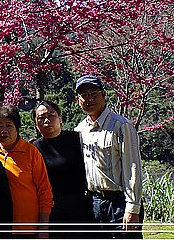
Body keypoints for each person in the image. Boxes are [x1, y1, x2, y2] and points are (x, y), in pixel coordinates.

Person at [74, 75, 143, 239]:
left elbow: (132, 167)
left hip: (119, 203)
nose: (89, 99)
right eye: (84, 95)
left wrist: (132, 208)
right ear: (78, 100)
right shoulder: (80, 130)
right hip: (93, 204)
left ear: (103, 95)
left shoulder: (121, 126)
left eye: (93, 93)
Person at [0, 104, 53, 238]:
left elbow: (44, 192)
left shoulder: (31, 152)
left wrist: (43, 227)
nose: (3, 130)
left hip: (26, 228)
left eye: (8, 125)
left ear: (17, 128)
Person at [31, 100, 94, 238]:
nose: (47, 120)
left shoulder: (78, 139)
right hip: (52, 213)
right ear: (36, 124)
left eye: (51, 115)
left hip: (81, 209)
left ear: (60, 118)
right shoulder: (33, 149)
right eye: (41, 118)